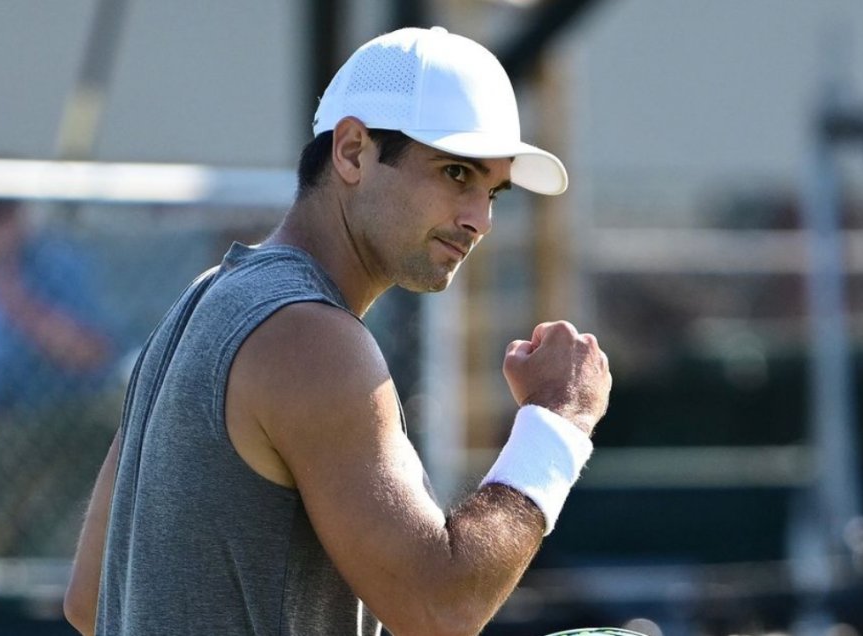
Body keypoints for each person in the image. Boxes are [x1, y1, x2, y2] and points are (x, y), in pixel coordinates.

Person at [65, 26, 611, 635]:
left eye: (494, 190)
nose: (479, 218)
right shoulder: (309, 337)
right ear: (352, 151)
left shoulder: (199, 303)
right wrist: (556, 421)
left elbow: (89, 600)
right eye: (457, 173)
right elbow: (441, 608)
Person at [0, 197, 118, 555]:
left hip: (60, 414)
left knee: (2, 464)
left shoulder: (57, 266)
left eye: (1, 212)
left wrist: (19, 304)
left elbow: (94, 354)